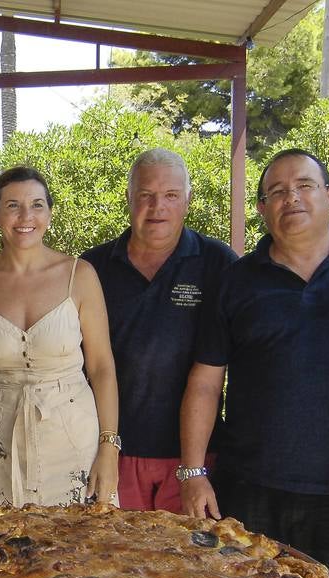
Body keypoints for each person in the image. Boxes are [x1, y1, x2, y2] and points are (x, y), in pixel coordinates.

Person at [180, 149, 329, 578]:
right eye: (277, 192)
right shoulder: (237, 280)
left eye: (305, 186)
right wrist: (193, 472)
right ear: (264, 209)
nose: (292, 198)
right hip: (250, 488)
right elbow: (206, 382)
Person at [82, 148, 237, 512]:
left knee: (189, 567)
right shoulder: (92, 268)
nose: (158, 207)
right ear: (128, 199)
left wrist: (197, 465)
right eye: (146, 196)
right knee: (115, 565)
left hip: (196, 460)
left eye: (170, 196)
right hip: (111, 454)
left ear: (188, 199)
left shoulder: (220, 264)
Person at [0, 166, 120, 508]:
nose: (26, 216)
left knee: (83, 551)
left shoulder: (80, 274)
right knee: (1, 551)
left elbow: (102, 366)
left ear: (49, 212)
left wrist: (109, 445)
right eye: (13, 205)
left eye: (37, 205)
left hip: (72, 433)